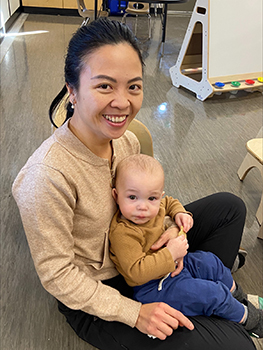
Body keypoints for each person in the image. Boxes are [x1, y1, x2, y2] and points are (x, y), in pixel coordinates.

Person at [12, 17, 256, 350]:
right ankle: (213, 306)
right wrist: (135, 313)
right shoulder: (46, 176)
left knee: (229, 207)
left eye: (134, 86)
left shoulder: (126, 141)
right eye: (104, 86)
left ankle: (205, 298)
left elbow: (153, 198)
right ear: (72, 90)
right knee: (235, 344)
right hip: (105, 293)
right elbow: (57, 274)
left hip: (147, 251)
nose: (123, 103)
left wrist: (172, 227)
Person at [109, 154, 263, 338]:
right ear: (116, 195)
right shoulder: (123, 233)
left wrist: (180, 213)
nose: (143, 207)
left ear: (159, 196)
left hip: (174, 266)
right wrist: (171, 253)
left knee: (210, 262)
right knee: (212, 294)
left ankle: (239, 298)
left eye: (152, 198)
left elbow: (170, 202)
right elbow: (136, 273)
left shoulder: (157, 205)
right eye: (132, 197)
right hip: (153, 288)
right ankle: (252, 322)